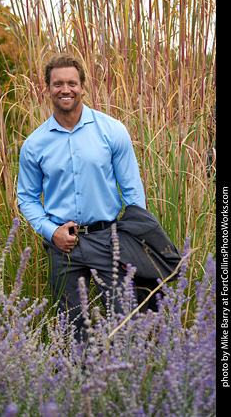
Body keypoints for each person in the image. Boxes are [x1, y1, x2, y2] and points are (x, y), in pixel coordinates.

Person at [17, 54, 146, 342]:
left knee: (125, 323)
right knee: (72, 329)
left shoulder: (112, 131)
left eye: (72, 83)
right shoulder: (34, 144)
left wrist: (133, 241)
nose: (66, 89)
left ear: (84, 86)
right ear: (46, 88)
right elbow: (26, 198)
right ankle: (80, 383)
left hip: (109, 241)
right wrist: (52, 233)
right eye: (58, 83)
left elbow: (133, 191)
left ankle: (125, 384)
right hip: (62, 246)